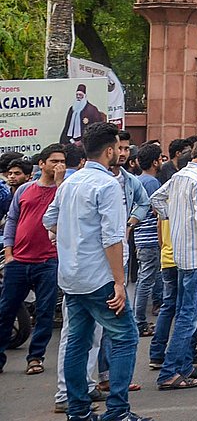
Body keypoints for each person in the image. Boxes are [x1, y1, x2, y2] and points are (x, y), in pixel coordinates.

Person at [43, 123, 149, 421]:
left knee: (77, 340)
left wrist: (72, 236)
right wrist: (118, 282)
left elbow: (49, 220)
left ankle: (77, 410)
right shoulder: (106, 185)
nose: (120, 151)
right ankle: (117, 410)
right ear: (109, 151)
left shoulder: (70, 183)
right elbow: (112, 238)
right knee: (126, 337)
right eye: (118, 146)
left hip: (73, 276)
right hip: (100, 277)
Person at [149, 136, 197, 389]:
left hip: (181, 250)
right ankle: (170, 371)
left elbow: (157, 200)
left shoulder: (180, 175)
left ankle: (182, 366)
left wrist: (176, 216)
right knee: (188, 316)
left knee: (184, 311)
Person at [0, 144, 66, 375]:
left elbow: (66, 214)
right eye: (54, 161)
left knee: (45, 312)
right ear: (42, 164)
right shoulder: (24, 189)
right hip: (18, 260)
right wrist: (9, 253)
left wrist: (59, 184)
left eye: (62, 161)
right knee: (6, 309)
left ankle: (35, 357)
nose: (59, 165)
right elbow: (12, 221)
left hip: (48, 261)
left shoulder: (65, 190)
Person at [132, 142, 163, 337]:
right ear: (154, 162)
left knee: (146, 276)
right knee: (146, 278)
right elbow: (156, 210)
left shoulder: (136, 180)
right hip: (150, 236)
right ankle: (139, 321)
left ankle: (139, 319)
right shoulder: (152, 183)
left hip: (140, 235)